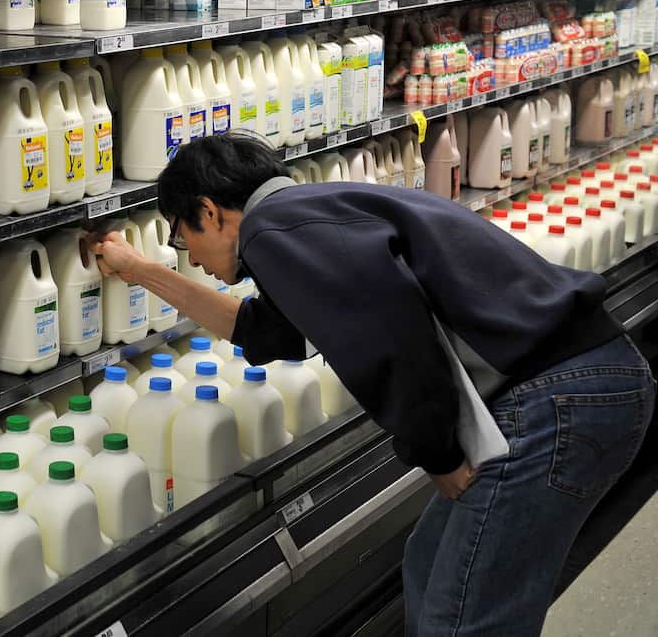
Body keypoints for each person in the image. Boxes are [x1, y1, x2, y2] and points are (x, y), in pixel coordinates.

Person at [88, 132, 655, 637]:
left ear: (209, 212)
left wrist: (438, 452)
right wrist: (140, 271)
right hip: (582, 381)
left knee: (461, 621)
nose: (196, 261)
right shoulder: (306, 214)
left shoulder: (273, 228)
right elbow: (264, 332)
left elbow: (389, 334)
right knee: (430, 563)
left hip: (557, 397)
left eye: (185, 241)